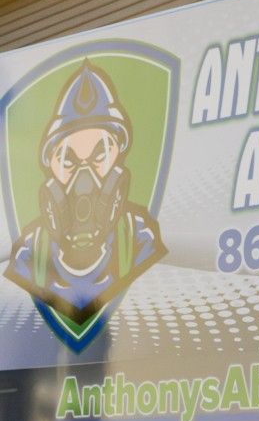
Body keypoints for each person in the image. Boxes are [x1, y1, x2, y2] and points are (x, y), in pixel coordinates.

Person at [6, 61, 165, 324]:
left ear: (118, 161)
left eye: (100, 155)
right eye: (68, 160)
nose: (84, 178)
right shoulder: (29, 257)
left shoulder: (138, 242)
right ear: (51, 170)